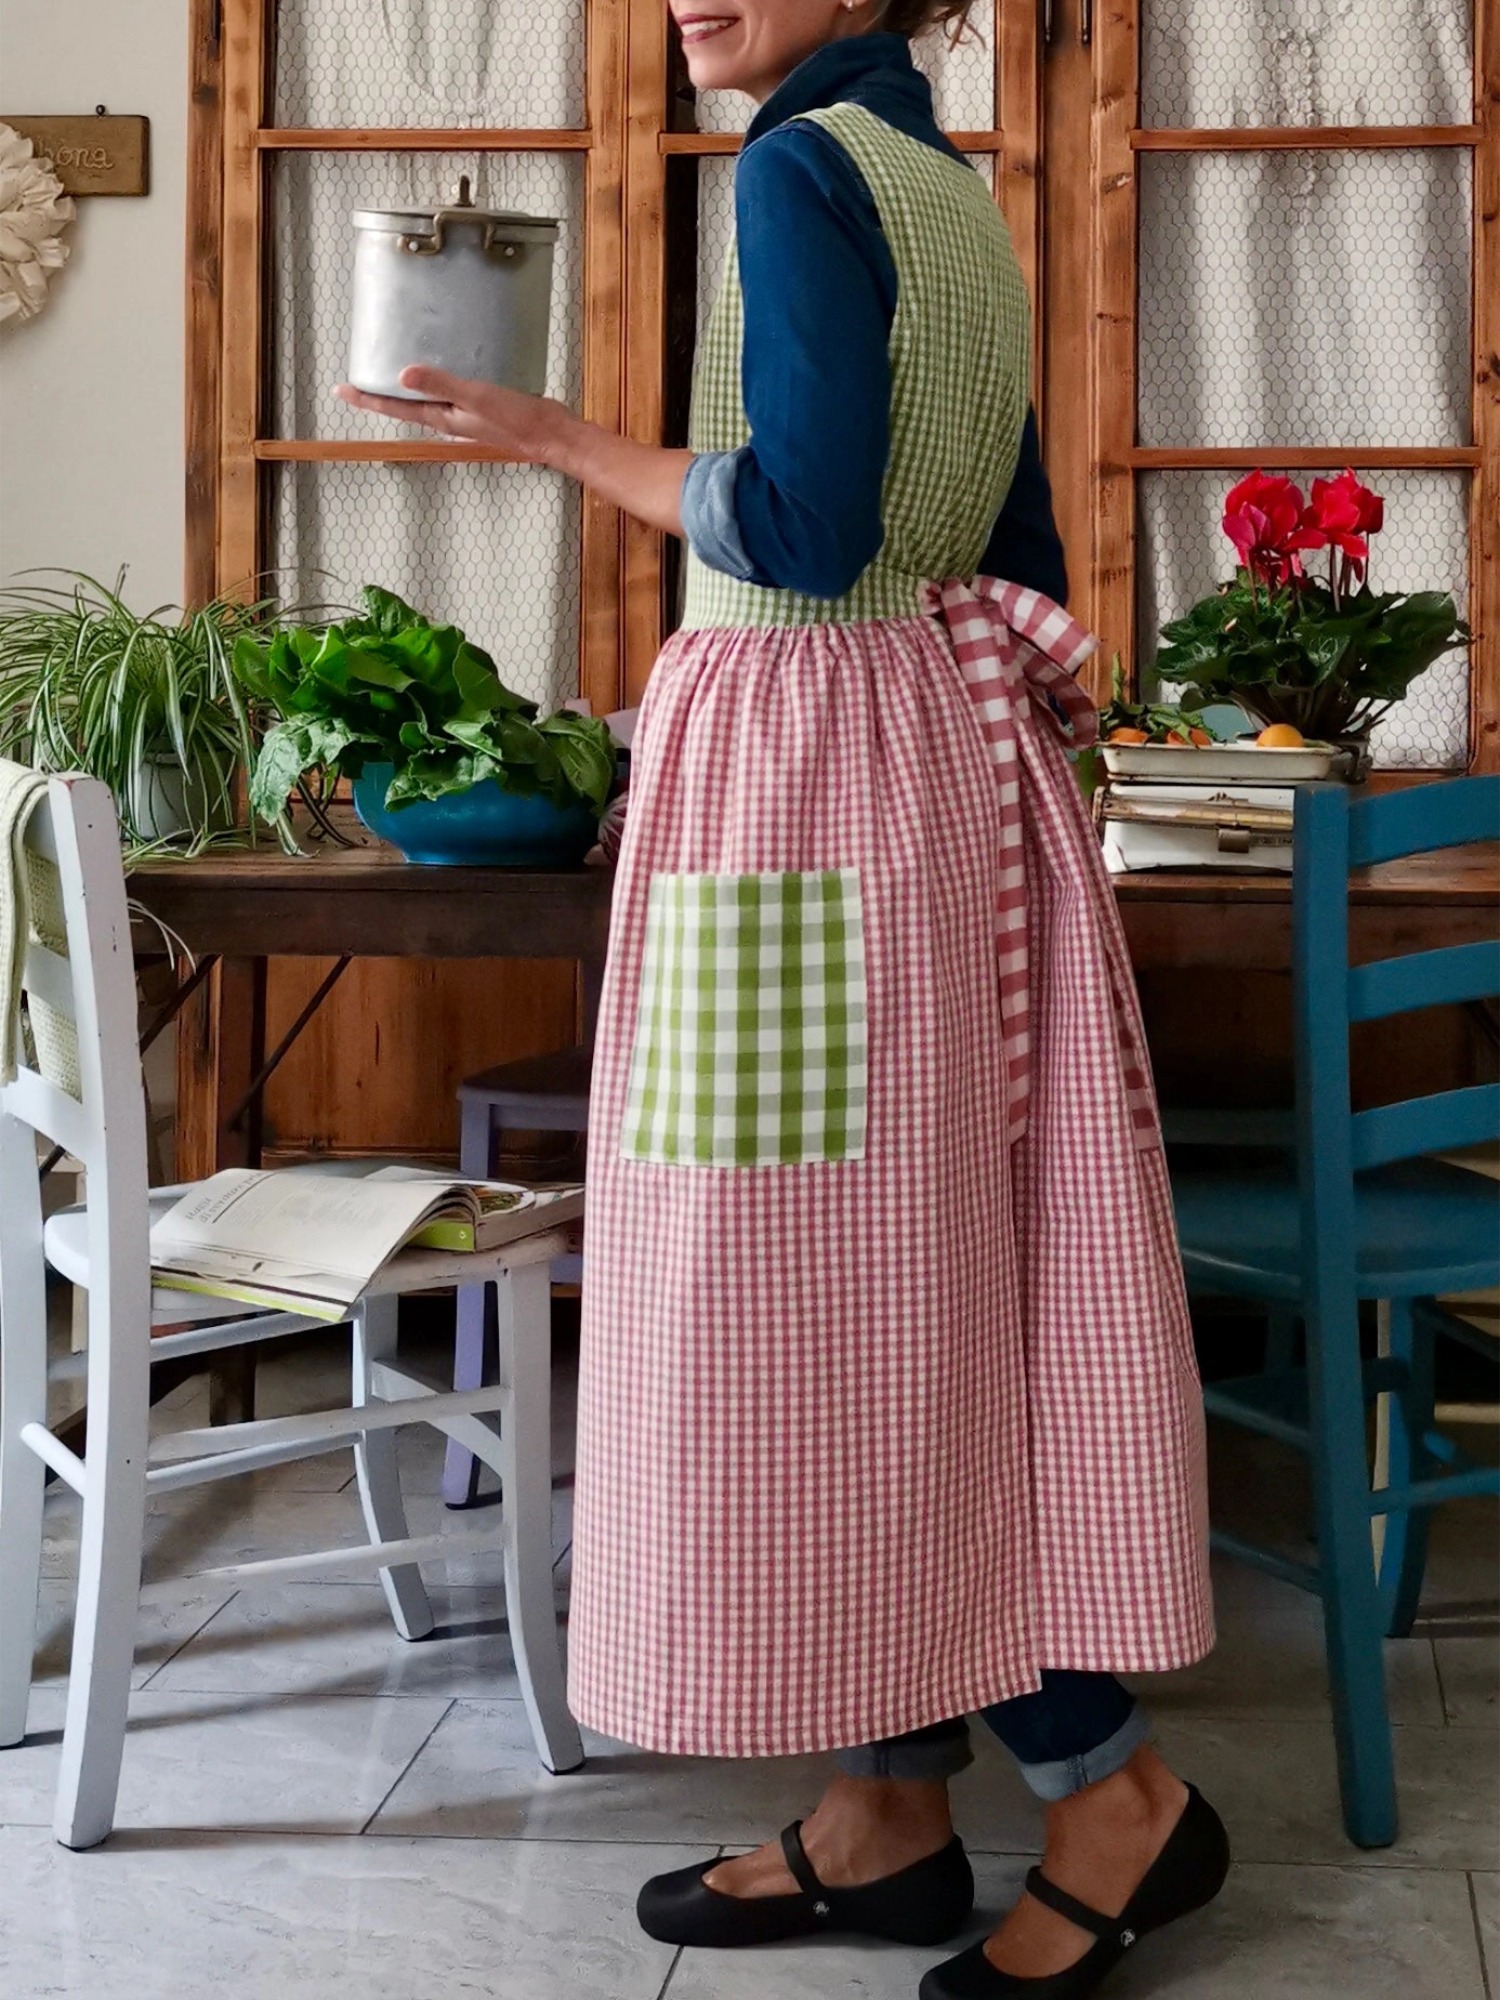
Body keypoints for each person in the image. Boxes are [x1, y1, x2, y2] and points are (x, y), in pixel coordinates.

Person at [338, 7, 1228, 1994]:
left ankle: (1108, 1783)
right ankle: (893, 1804)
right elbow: (1016, 548)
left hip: (819, 784)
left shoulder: (799, 173)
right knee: (884, 1292)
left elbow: (807, 531)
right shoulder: (954, 193)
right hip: (926, 776)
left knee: (812, 1303)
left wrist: (558, 436)